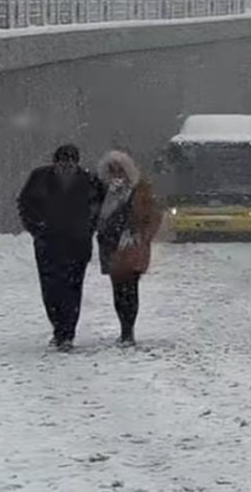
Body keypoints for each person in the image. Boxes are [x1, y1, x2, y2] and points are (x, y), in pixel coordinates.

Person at [17, 144, 104, 352]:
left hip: (77, 243)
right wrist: (37, 228)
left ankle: (68, 332)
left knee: (72, 288)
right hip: (48, 242)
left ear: (77, 162)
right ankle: (58, 327)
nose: (67, 165)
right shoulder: (39, 178)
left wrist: (87, 228)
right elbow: (25, 204)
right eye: (63, 161)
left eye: (71, 161)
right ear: (55, 162)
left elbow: (99, 208)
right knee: (51, 289)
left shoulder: (90, 180)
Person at [96, 151, 161, 347]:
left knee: (130, 288)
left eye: (120, 170)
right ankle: (124, 327)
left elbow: (153, 215)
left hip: (133, 244)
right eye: (112, 170)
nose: (117, 174)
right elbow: (96, 215)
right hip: (110, 244)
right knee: (118, 289)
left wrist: (143, 237)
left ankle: (128, 330)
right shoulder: (101, 190)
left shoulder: (140, 190)